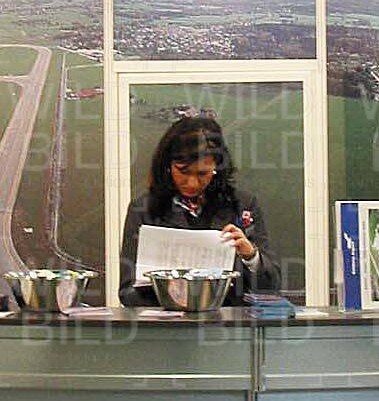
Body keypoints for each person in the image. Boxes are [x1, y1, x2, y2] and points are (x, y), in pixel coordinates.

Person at [118, 114, 281, 306]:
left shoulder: (242, 206)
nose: (192, 183)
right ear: (167, 165)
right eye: (183, 171)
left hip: (228, 321)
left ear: (217, 167)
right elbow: (127, 292)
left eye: (203, 173)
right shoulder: (143, 209)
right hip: (166, 320)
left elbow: (271, 287)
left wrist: (250, 256)